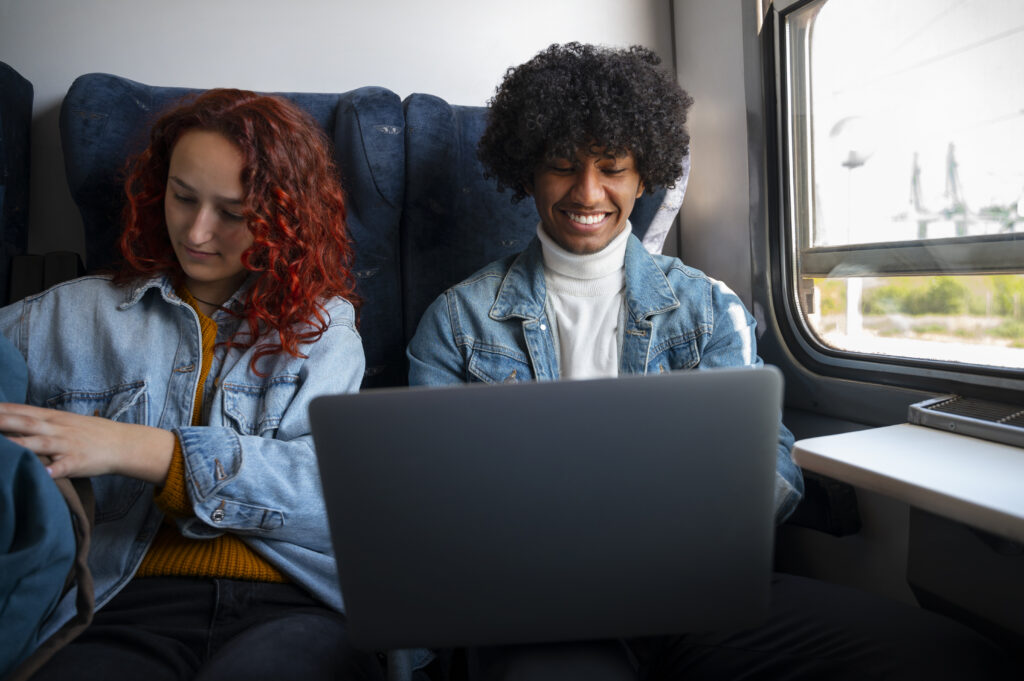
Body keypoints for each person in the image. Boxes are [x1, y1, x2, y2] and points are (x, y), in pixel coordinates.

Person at [407, 43, 1015, 680]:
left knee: (951, 657)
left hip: (695, 589)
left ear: (644, 177)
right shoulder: (457, 321)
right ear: (528, 174)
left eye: (612, 167)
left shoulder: (705, 306)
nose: (588, 191)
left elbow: (773, 462)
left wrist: (709, 524)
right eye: (562, 167)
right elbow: (429, 497)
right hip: (536, 604)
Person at [0, 89, 384, 680]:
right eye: (182, 198)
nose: (198, 231)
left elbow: (331, 496)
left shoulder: (324, 329)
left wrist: (139, 449)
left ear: (285, 217)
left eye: (232, 213)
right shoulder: (64, 316)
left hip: (293, 609)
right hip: (120, 605)